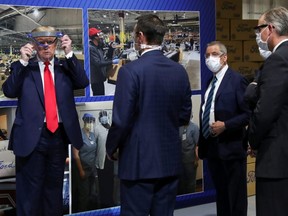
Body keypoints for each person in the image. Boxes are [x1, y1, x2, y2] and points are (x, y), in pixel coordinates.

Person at [105, 14, 192, 216]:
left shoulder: (130, 72)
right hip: (169, 160)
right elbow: (184, 115)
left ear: (141, 37)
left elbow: (121, 120)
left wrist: (111, 148)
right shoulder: (179, 71)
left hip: (139, 164)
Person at [2, 25, 89, 216]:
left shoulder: (65, 67)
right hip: (30, 139)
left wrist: (69, 53)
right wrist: (23, 61)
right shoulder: (24, 68)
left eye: (50, 42)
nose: (46, 47)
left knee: (53, 191)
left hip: (57, 136)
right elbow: (9, 91)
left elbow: (83, 82)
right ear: (33, 44)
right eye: (41, 43)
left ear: (56, 43)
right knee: (29, 195)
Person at [197, 41, 250, 216]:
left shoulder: (237, 81)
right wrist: (200, 143)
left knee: (235, 197)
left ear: (224, 57)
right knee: (222, 195)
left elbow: (247, 114)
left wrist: (226, 125)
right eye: (207, 55)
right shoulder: (209, 82)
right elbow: (205, 111)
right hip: (213, 148)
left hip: (231, 148)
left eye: (213, 54)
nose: (209, 59)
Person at [248, 7, 288, 216]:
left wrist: (252, 141)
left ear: (270, 28)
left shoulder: (278, 59)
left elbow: (265, 111)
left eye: (259, 29)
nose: (258, 35)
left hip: (277, 158)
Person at [72, 113, 99, 212]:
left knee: (92, 194)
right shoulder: (79, 134)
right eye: (88, 121)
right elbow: (75, 155)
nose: (90, 123)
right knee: (83, 195)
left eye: (92, 121)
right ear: (84, 121)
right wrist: (81, 171)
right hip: (82, 169)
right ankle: (81, 212)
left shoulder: (92, 135)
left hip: (92, 169)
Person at [89, 27, 119, 96]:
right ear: (95, 37)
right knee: (98, 97)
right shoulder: (91, 48)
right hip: (96, 79)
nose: (100, 36)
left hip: (100, 77)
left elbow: (104, 59)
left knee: (102, 95)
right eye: (98, 34)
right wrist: (112, 62)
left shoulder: (98, 47)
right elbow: (98, 63)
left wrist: (111, 49)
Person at [94, 110, 114, 208]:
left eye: (105, 116)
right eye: (102, 116)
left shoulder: (111, 127)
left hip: (110, 159)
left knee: (110, 181)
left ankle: (110, 201)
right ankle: (103, 203)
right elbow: (94, 144)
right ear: (99, 118)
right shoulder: (97, 128)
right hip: (101, 160)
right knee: (102, 182)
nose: (104, 118)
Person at [178, 120, 199, 194]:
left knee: (190, 183)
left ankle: (191, 200)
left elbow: (197, 145)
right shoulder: (178, 126)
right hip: (179, 161)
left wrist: (196, 160)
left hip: (190, 161)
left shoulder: (194, 127)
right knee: (181, 183)